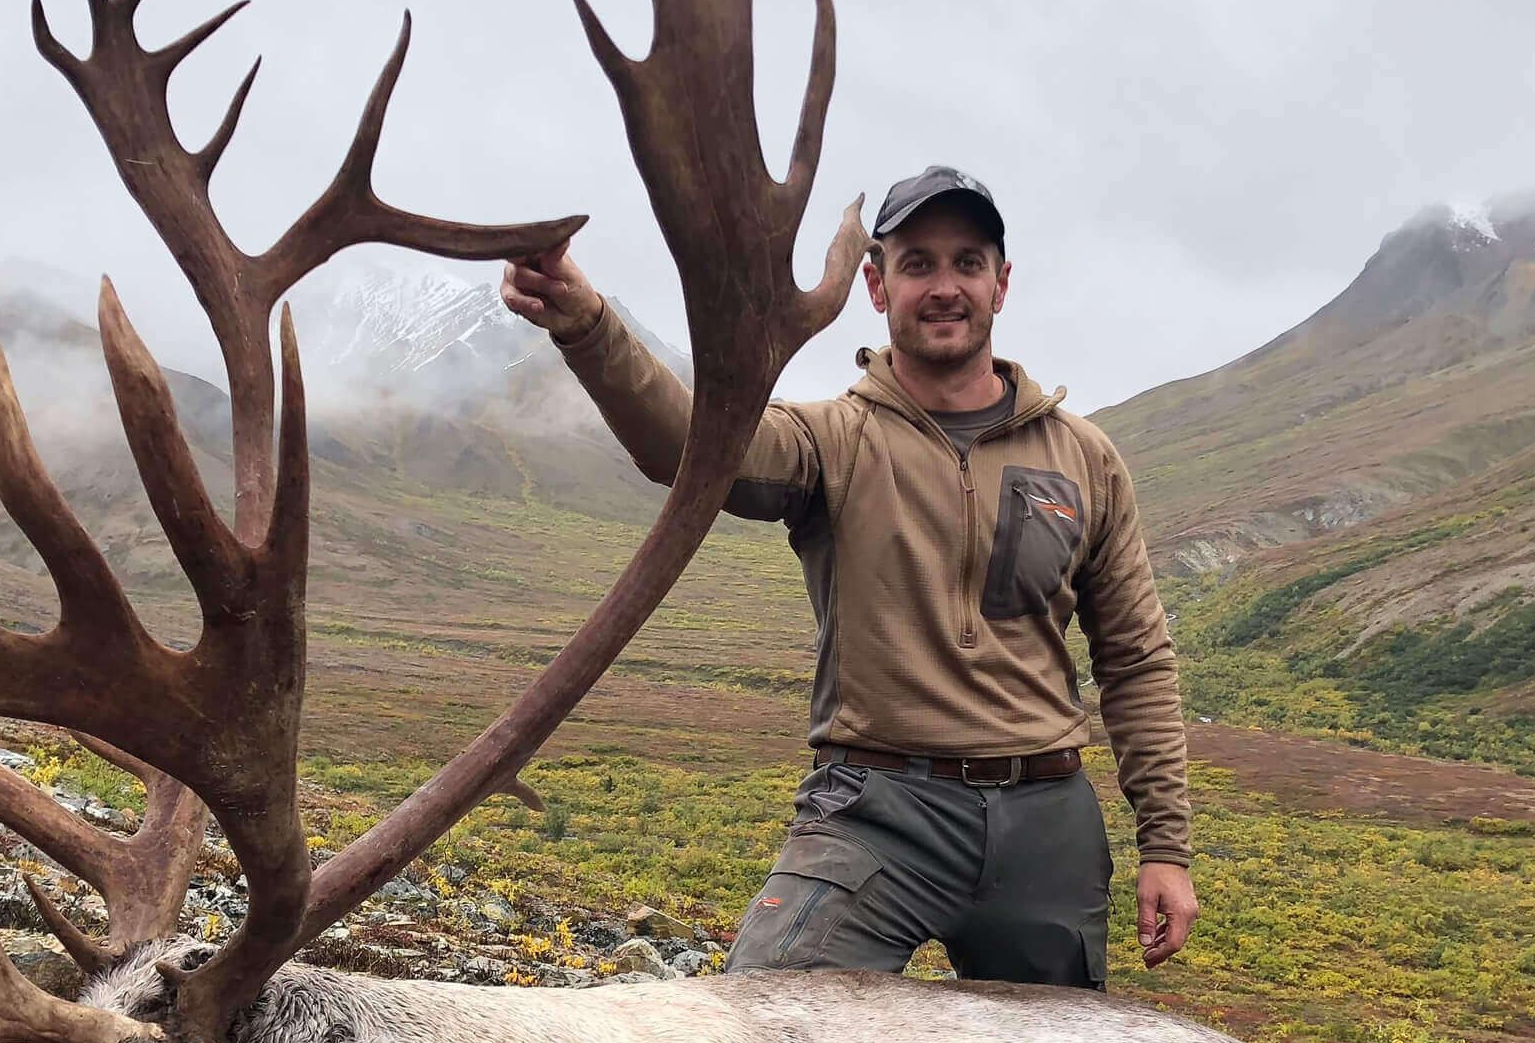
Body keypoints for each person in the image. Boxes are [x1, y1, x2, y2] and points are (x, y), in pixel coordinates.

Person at [502, 166, 1196, 985]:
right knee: (762, 1021)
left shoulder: (1083, 458)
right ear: (876, 285)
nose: (945, 288)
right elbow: (690, 448)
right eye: (918, 263)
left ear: (1001, 283)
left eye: (967, 263)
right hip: (876, 812)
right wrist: (589, 326)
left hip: (1047, 825)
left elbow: (1136, 661)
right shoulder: (830, 440)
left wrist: (1167, 847)